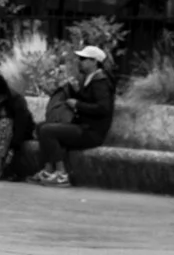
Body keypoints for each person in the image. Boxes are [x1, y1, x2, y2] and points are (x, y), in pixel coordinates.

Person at [30, 45, 115, 188]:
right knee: (41, 127)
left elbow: (103, 108)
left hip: (91, 132)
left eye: (83, 59)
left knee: (48, 131)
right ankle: (48, 170)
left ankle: (61, 175)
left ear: (94, 62)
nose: (79, 62)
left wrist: (77, 105)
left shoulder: (100, 82)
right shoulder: (89, 79)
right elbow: (87, 100)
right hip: (81, 126)